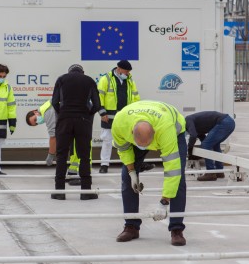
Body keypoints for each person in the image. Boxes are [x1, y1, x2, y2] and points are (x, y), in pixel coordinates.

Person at [111, 100, 187, 246]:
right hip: (138, 125)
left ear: (154, 134)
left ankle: (176, 229)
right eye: (141, 145)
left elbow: (172, 168)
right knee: (126, 176)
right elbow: (124, 150)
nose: (145, 148)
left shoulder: (165, 129)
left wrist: (164, 203)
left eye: (147, 145)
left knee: (179, 179)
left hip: (173, 129)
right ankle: (131, 226)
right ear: (132, 133)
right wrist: (132, 172)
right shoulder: (120, 124)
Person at [51, 64, 102, 200]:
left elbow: (54, 102)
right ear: (82, 72)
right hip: (83, 120)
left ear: (69, 71)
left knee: (61, 155)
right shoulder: (89, 80)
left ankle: (59, 191)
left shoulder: (61, 79)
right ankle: (86, 191)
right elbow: (97, 105)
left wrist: (62, 113)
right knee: (84, 155)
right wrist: (88, 114)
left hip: (64, 120)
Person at [97, 60, 154, 173]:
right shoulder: (106, 79)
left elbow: (135, 96)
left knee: (131, 139)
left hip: (127, 116)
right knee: (107, 140)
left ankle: (136, 163)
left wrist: (137, 112)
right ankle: (104, 165)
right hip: (109, 115)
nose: (127, 73)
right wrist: (102, 112)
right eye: (126, 71)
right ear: (119, 68)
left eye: (128, 71)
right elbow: (99, 96)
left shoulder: (129, 80)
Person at [26, 99, 85, 186]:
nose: (37, 122)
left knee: (78, 150)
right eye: (36, 123)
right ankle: (74, 174)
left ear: (35, 112)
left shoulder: (46, 112)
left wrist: (50, 154)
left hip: (78, 119)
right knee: (75, 149)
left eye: (35, 120)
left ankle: (84, 177)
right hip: (77, 118)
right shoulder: (46, 107)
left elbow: (53, 137)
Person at [185, 111, 236, 181]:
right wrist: (196, 153)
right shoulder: (195, 125)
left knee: (206, 145)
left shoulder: (187, 120)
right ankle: (219, 171)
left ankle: (211, 173)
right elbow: (203, 139)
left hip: (224, 122)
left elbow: (193, 136)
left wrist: (190, 149)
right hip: (229, 122)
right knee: (214, 144)